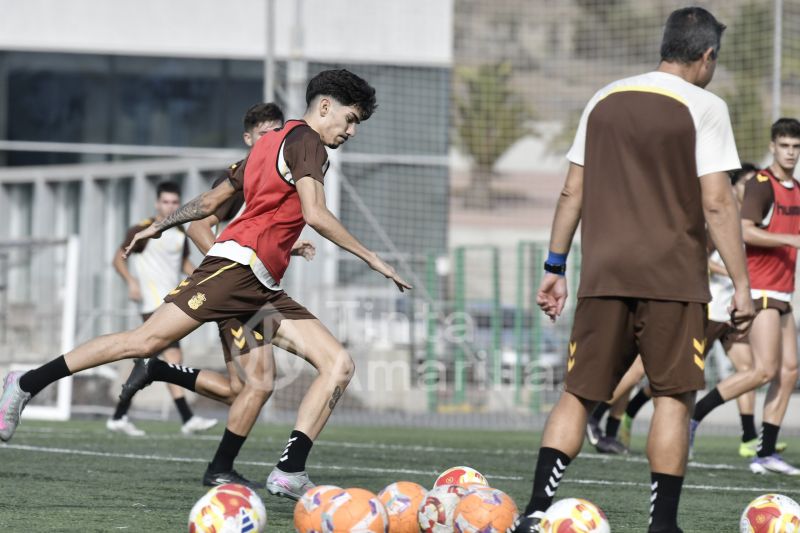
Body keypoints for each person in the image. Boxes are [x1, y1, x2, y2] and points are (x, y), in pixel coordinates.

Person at [0, 69, 412, 502]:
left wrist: (160, 225)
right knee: (143, 341)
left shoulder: (270, 142)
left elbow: (210, 203)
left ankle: (288, 471)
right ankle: (26, 382)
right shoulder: (308, 142)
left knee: (336, 364)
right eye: (350, 119)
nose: (350, 131)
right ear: (325, 106)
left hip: (260, 288)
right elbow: (315, 212)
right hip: (234, 271)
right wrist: (373, 258)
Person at [512, 8, 753, 533]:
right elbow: (718, 204)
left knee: (578, 392)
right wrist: (741, 284)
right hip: (673, 279)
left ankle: (534, 511)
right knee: (672, 395)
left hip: (603, 274)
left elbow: (571, 190)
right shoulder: (705, 106)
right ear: (706, 56)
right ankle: (661, 526)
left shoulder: (604, 98)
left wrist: (555, 266)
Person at [619, 164, 772, 457]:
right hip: (710, 310)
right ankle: (627, 412)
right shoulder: (719, 222)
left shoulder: (750, 222)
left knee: (750, 371)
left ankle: (749, 437)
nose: (753, 190)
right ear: (735, 187)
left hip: (732, 313)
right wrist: (731, 272)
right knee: (678, 375)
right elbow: (699, 259)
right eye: (747, 184)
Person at [689, 120, 800, 476]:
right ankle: (694, 416)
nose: (791, 152)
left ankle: (765, 452)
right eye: (784, 145)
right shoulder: (760, 185)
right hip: (761, 289)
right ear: (772, 146)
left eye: (796, 146)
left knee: (788, 372)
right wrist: (790, 241)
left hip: (783, 291)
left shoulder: (796, 188)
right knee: (763, 370)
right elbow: (746, 230)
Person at [107, 182, 217, 436]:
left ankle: (119, 414)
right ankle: (187, 418)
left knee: (148, 361)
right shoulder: (144, 231)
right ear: (157, 203)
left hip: (171, 303)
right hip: (151, 303)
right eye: (165, 202)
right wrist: (131, 282)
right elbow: (118, 258)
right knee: (173, 358)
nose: (170, 206)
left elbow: (185, 264)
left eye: (174, 202)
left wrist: (207, 280)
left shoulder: (180, 234)